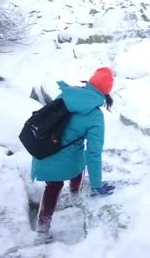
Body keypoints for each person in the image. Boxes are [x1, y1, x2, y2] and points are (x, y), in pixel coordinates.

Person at [31, 67, 116, 235]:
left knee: (53, 186)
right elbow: (93, 154)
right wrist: (97, 185)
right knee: (80, 161)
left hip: (43, 150)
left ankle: (42, 229)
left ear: (90, 81)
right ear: (107, 92)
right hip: (67, 158)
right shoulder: (95, 116)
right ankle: (74, 196)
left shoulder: (68, 94)